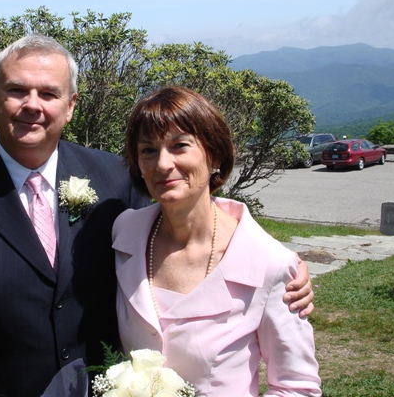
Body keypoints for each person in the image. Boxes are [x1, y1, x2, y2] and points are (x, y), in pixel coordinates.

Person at [0, 35, 314, 397]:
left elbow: (186, 211)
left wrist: (277, 264)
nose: (32, 105)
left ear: (71, 105)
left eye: (48, 93)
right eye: (16, 90)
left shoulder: (114, 180)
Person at [113, 86, 321, 396]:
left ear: (215, 156)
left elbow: (297, 387)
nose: (162, 164)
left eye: (180, 145)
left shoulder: (268, 264)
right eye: (148, 150)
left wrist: (289, 266)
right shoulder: (124, 233)